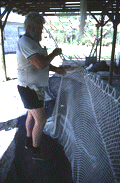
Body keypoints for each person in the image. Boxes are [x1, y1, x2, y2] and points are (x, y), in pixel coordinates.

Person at [17, 12, 66, 160]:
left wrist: (56, 69)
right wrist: (54, 53)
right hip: (29, 88)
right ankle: (36, 152)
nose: (41, 30)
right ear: (30, 26)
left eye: (41, 27)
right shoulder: (25, 42)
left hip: (33, 87)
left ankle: (28, 140)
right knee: (41, 119)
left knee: (31, 115)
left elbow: (42, 62)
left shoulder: (33, 43)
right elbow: (40, 64)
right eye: (38, 27)